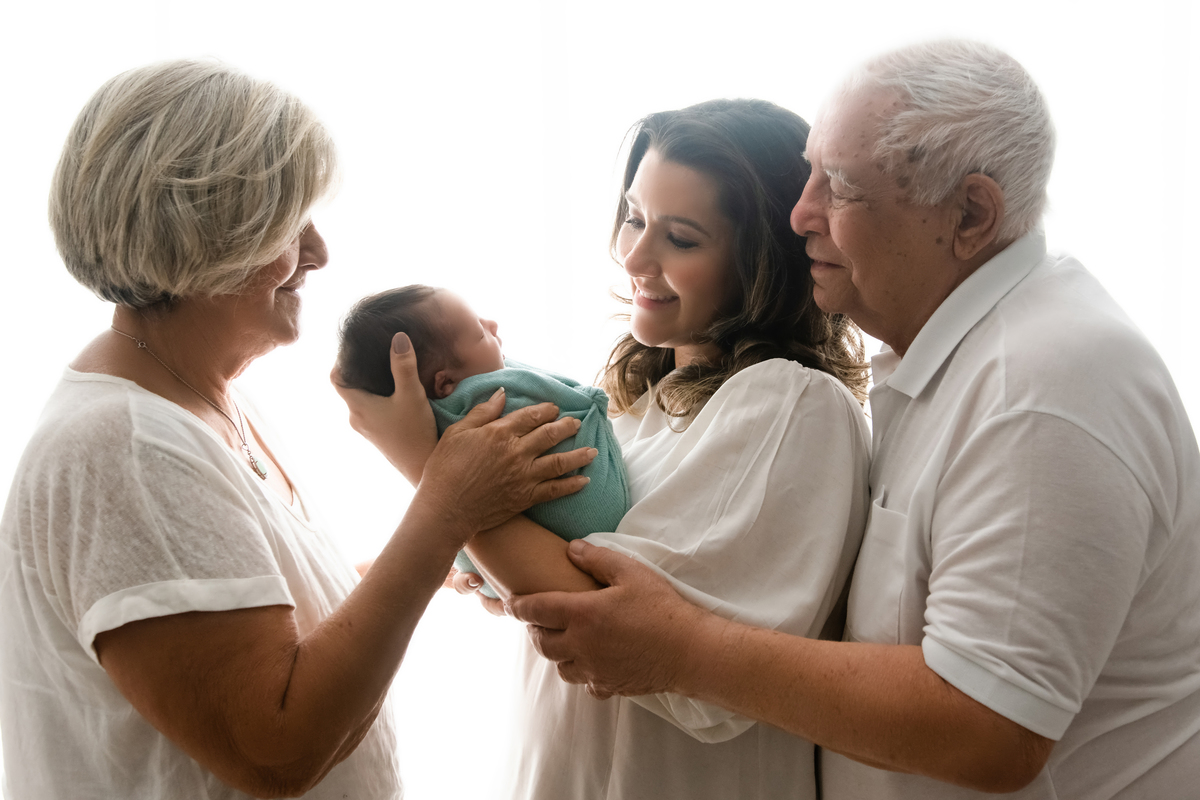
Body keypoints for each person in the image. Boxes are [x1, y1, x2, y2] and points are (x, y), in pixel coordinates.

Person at [508, 39, 1200, 799]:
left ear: (969, 215)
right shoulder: (955, 365)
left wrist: (682, 648)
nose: (799, 216)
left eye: (839, 187)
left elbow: (988, 727)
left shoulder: (1042, 383)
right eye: (809, 174)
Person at [0, 60, 595, 800]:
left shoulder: (204, 405)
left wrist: (430, 562)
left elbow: (254, 635)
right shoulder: (123, 445)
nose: (318, 253)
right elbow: (275, 749)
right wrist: (444, 512)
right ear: (206, 233)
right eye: (289, 225)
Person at [337, 97, 871, 800]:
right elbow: (556, 580)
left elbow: (611, 629)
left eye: (680, 238)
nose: (634, 256)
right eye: (634, 217)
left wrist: (431, 471)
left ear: (762, 263)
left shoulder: (791, 403)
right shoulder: (636, 411)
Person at [335, 284, 630, 598]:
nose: (493, 326)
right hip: (586, 538)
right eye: (479, 334)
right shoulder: (488, 399)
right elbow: (584, 401)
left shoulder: (421, 426)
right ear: (445, 383)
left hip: (496, 573)